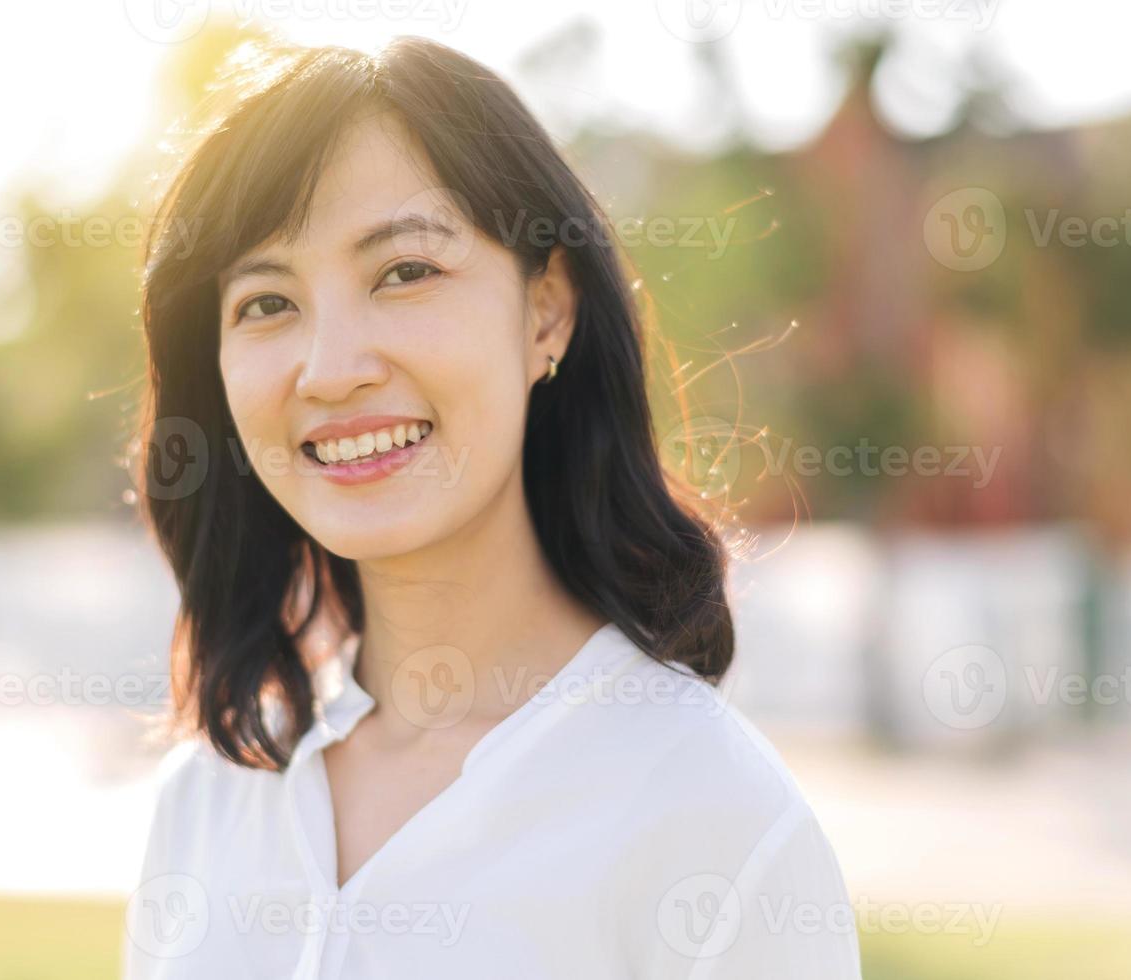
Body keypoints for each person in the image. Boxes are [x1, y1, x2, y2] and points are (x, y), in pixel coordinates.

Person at [125, 33, 861, 979]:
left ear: (546, 311)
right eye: (267, 302)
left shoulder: (712, 821)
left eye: (405, 272)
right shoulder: (206, 802)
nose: (332, 368)